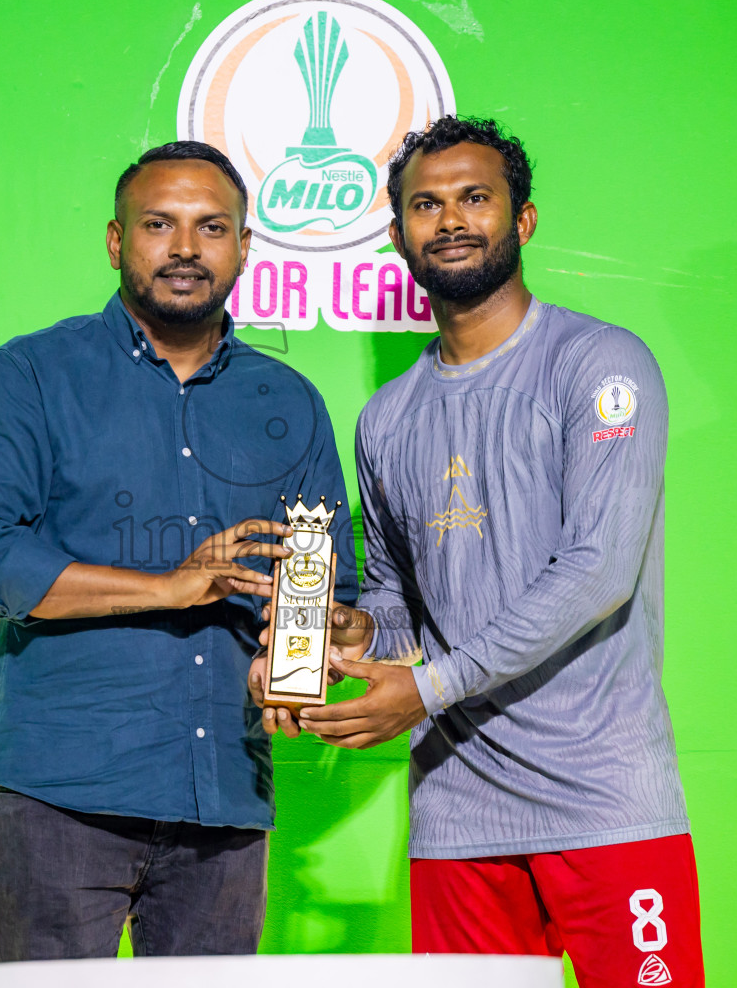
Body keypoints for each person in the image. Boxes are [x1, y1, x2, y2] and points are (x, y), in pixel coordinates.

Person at [256, 117, 704, 987]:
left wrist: (427, 688)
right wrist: (346, 636)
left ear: (521, 219)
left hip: (604, 801)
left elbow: (599, 571)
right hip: (457, 816)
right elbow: (399, 601)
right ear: (397, 237)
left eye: (475, 198)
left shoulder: (599, 365)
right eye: (427, 205)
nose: (452, 220)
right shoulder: (386, 418)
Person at [0, 140, 357, 961]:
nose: (185, 248)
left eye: (212, 227)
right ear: (116, 240)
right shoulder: (33, 375)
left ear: (245, 246)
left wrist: (296, 658)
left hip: (226, 799)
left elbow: (321, 579)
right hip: (63, 797)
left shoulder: (288, 401)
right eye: (159, 224)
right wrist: (168, 586)